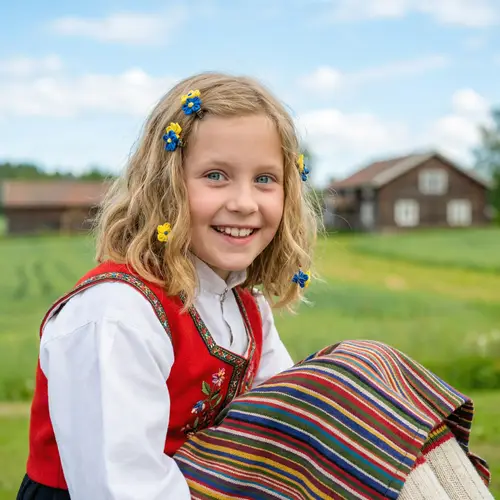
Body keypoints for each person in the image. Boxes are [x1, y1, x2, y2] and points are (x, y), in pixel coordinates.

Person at [17, 73, 492, 500]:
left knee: (361, 371)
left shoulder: (246, 304)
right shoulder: (116, 314)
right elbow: (119, 488)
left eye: (265, 179)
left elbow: (289, 422)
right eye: (216, 176)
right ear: (165, 186)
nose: (244, 202)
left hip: (201, 483)